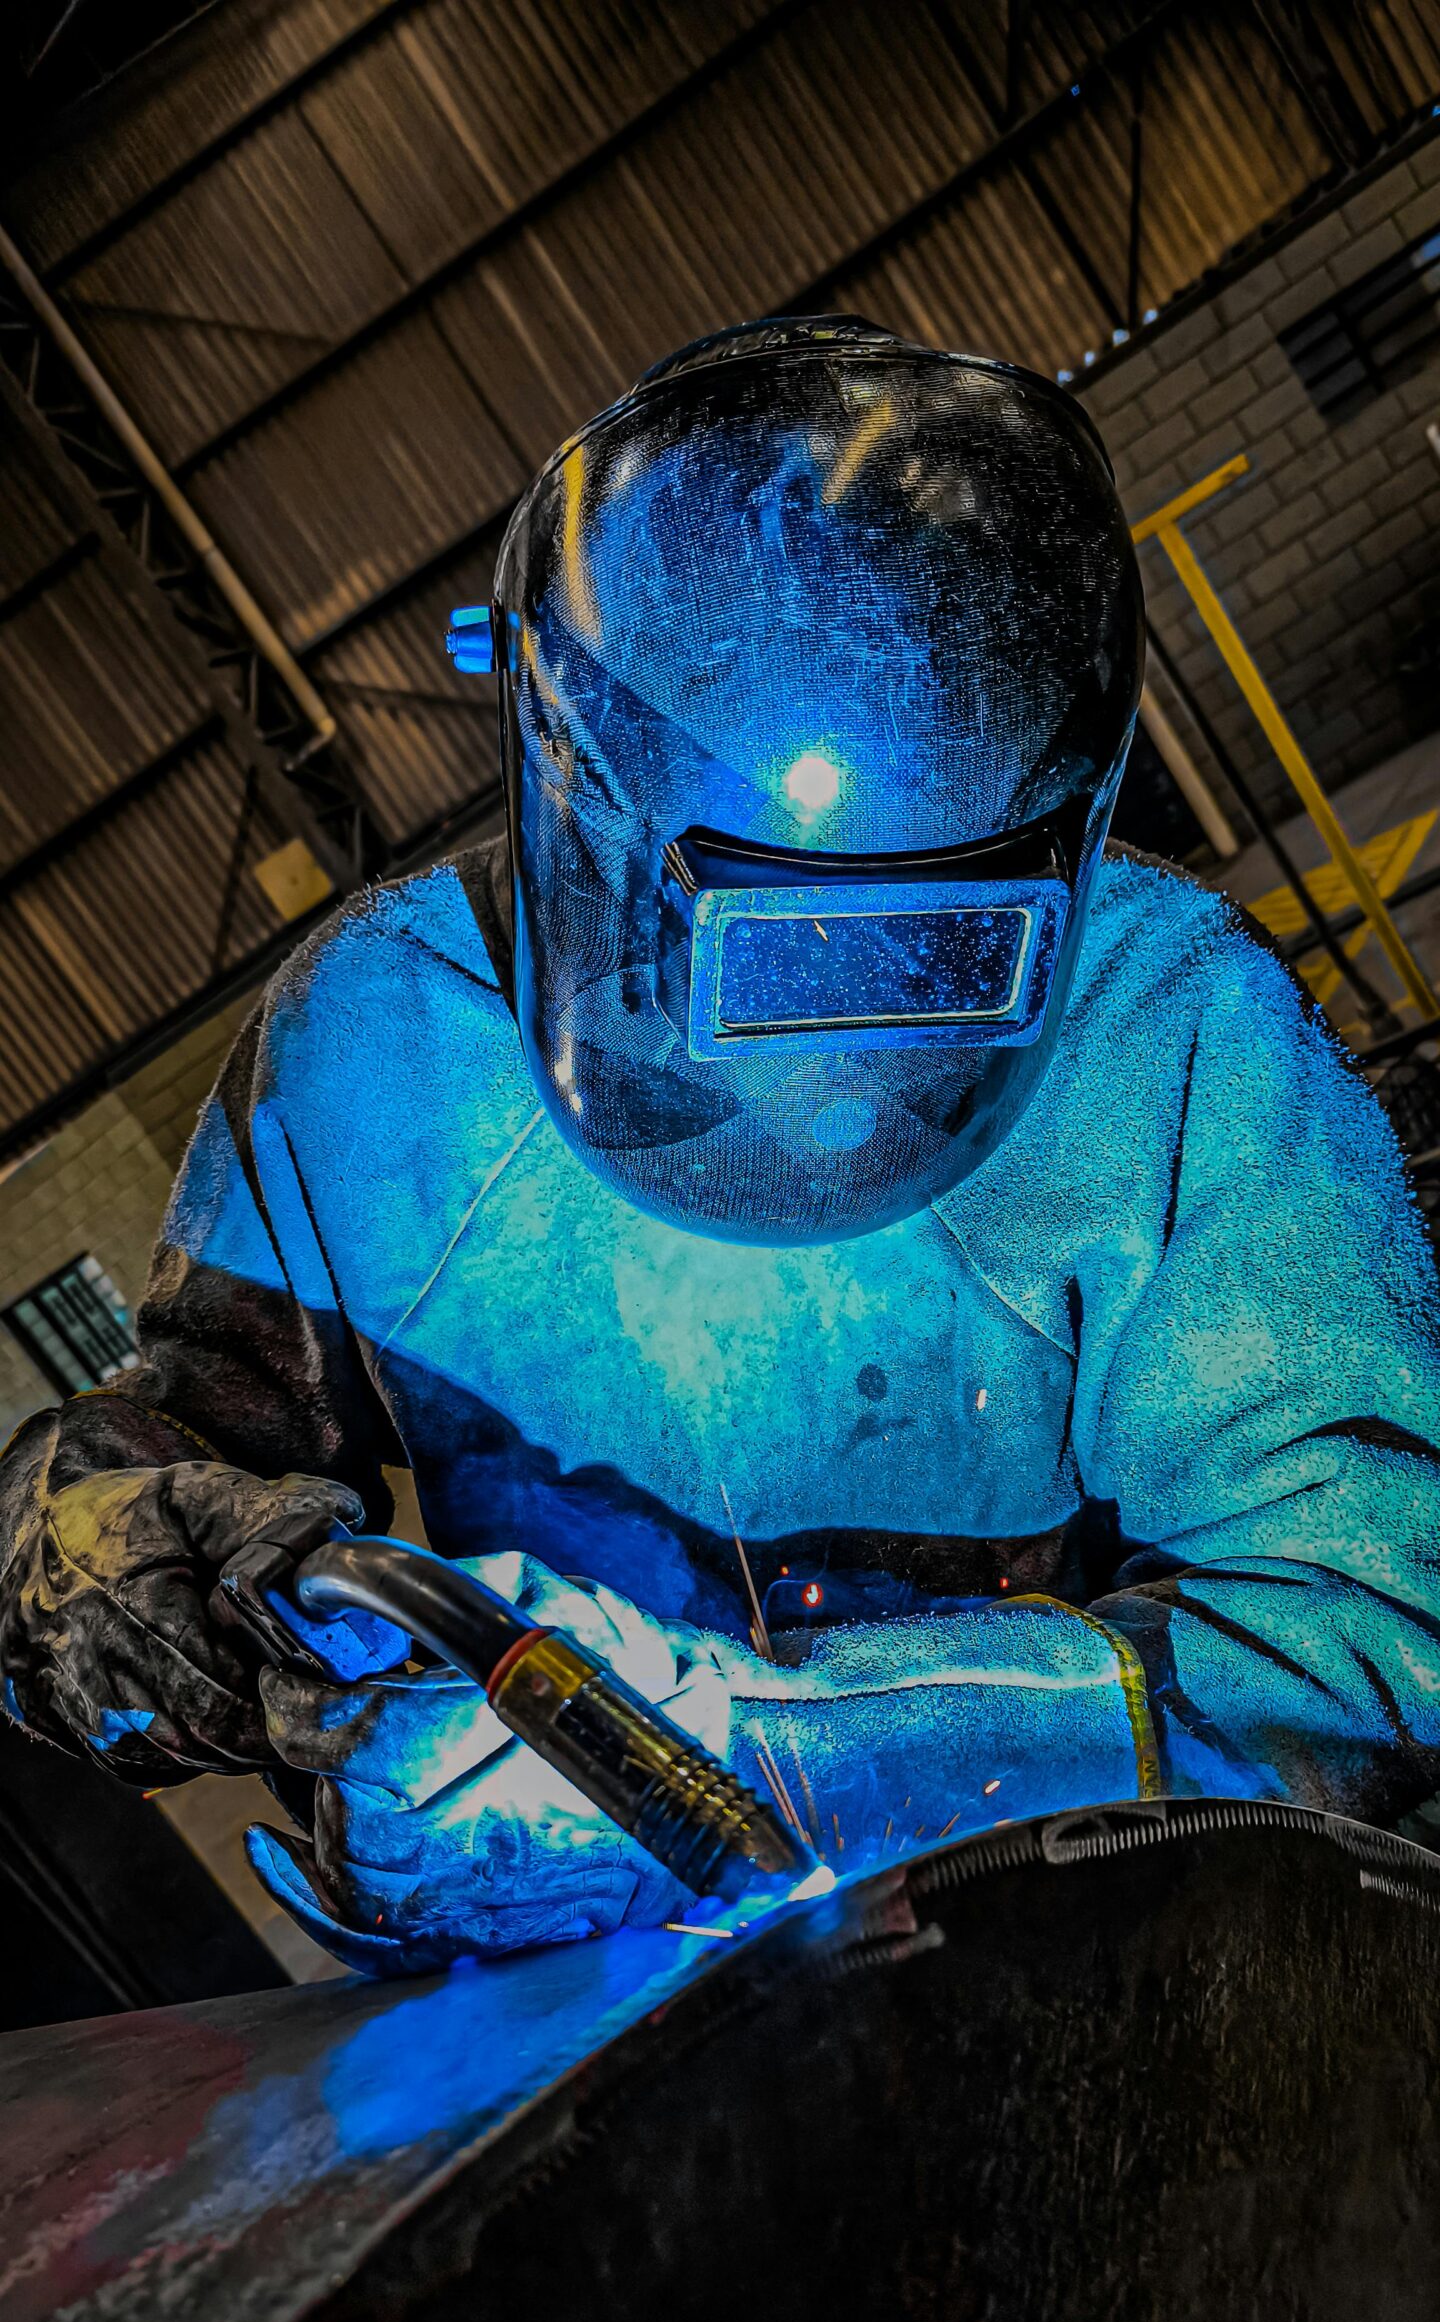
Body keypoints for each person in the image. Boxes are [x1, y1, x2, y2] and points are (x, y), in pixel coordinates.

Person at [4, 316, 1440, 1977]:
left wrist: (804, 1750)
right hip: (606, 2002)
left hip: (1109, 1956)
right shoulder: (380, 1052)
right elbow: (135, 1465)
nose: (837, 1091)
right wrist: (120, 1578)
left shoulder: (1175, 1034)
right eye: (782, 962)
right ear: (581, 810)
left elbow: (1380, 1634)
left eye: (931, 959)